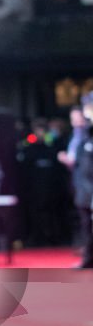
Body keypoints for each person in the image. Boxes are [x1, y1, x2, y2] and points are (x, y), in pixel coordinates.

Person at [57, 104, 93, 266]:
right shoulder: (76, 137)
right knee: (85, 223)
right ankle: (88, 256)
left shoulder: (87, 135)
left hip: (88, 186)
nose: (74, 122)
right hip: (81, 186)